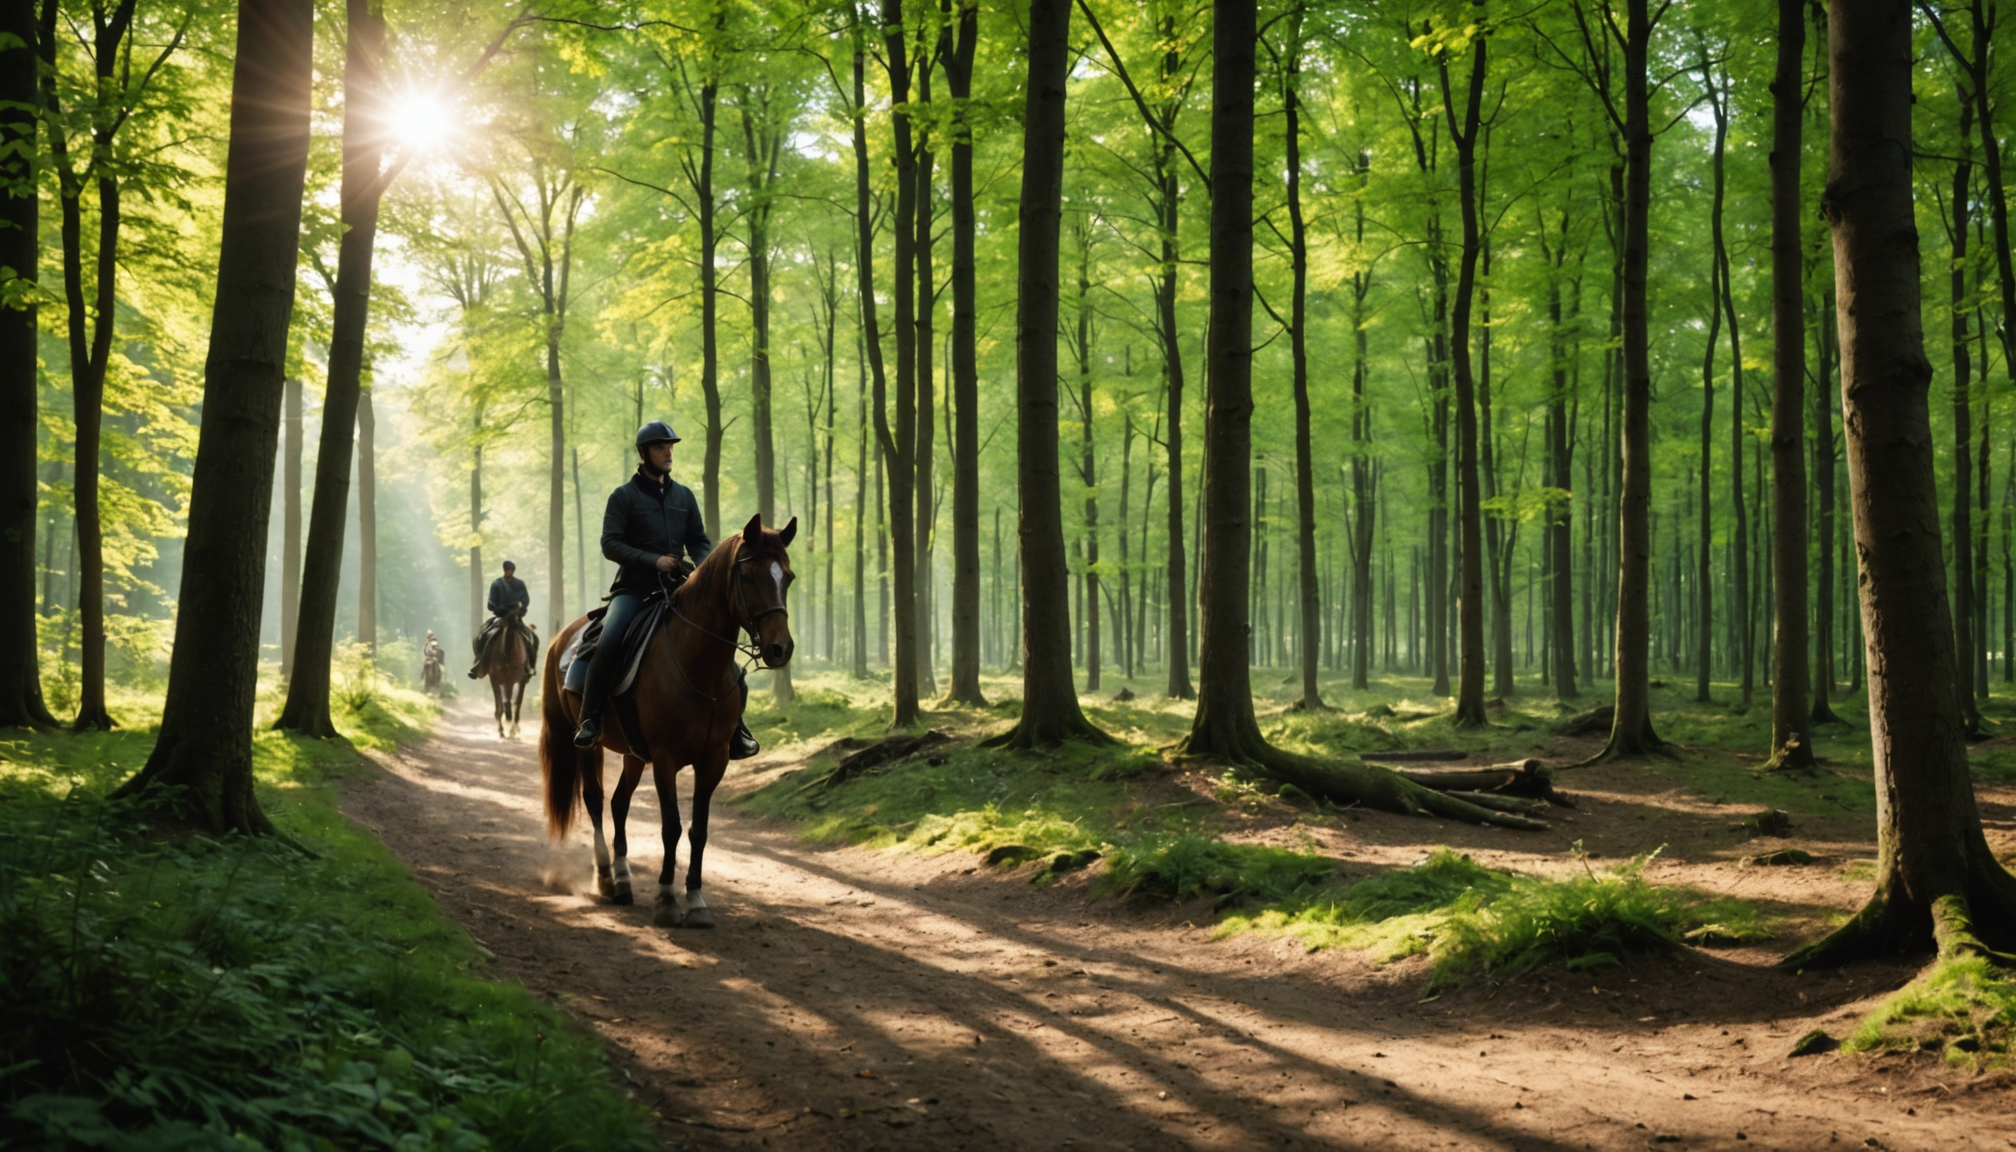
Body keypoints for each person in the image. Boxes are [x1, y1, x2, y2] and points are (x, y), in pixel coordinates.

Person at [573, 420, 759, 759]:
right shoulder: (623, 496)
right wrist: (652, 560)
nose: (668, 452)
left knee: (719, 647)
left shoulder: (684, 496)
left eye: (670, 446)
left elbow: (698, 540)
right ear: (643, 453)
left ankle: (735, 727)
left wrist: (703, 571)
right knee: (609, 641)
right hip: (633, 589)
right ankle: (590, 719)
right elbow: (610, 544)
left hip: (679, 587)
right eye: (660, 447)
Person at [470, 560, 536, 679]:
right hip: (500, 617)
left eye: (511, 570)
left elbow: (525, 600)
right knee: (484, 635)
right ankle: (480, 664)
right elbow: (491, 603)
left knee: (531, 639)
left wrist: (519, 609)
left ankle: (529, 666)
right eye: (507, 570)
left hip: (515, 618)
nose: (509, 572)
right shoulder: (497, 584)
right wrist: (501, 609)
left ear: (513, 571)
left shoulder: (519, 584)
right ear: (504, 570)